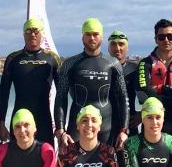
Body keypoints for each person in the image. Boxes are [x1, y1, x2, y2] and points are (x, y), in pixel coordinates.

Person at [53, 18, 128, 148]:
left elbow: (123, 97)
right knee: (73, 165)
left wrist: (124, 130)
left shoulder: (113, 63)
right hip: (77, 127)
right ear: (82, 37)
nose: (92, 38)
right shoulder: (70, 64)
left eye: (95, 34)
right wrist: (60, 129)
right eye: (88, 34)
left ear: (102, 37)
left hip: (106, 127)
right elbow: (60, 97)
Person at [0, 17, 61, 145]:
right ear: (23, 34)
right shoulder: (13, 59)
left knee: (46, 160)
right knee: (17, 162)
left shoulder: (52, 58)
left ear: (41, 33)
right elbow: (4, 93)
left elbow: (61, 95)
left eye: (36, 31)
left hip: (44, 120)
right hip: (19, 119)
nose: (32, 34)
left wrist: (60, 126)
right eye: (28, 31)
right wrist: (1, 122)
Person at [136, 19, 172, 142]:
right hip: (152, 119)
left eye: (170, 36)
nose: (166, 40)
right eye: (162, 37)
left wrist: (161, 88)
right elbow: (143, 93)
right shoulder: (145, 63)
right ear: (156, 39)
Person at [107, 30, 140, 133]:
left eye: (121, 44)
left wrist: (142, 114)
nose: (117, 48)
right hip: (105, 124)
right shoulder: (101, 68)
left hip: (129, 123)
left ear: (127, 47)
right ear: (108, 48)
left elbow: (149, 96)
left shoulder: (135, 69)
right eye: (113, 44)